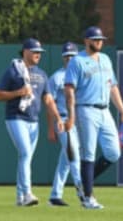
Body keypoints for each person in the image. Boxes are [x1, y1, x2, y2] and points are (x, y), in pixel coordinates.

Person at [64, 26, 123, 209]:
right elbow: (69, 90)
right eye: (96, 39)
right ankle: (88, 198)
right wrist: (71, 116)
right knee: (88, 153)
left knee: (113, 153)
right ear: (86, 41)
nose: (99, 42)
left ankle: (82, 182)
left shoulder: (105, 59)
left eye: (101, 39)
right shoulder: (77, 61)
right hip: (85, 110)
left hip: (105, 110)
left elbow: (113, 88)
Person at [0, 38, 64, 207]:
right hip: (16, 118)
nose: (38, 55)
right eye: (34, 52)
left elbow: (48, 99)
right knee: (25, 153)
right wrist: (19, 92)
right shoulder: (13, 70)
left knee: (26, 157)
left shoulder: (41, 74)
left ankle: (20, 197)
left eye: (39, 52)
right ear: (25, 51)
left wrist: (58, 118)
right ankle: (27, 193)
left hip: (34, 121)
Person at [47, 42, 84, 206]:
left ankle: (55, 195)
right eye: (67, 56)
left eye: (73, 56)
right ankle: (83, 192)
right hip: (62, 120)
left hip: (78, 122)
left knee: (65, 160)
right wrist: (51, 127)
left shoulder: (81, 76)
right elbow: (49, 103)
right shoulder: (57, 77)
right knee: (73, 156)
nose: (69, 59)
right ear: (63, 58)